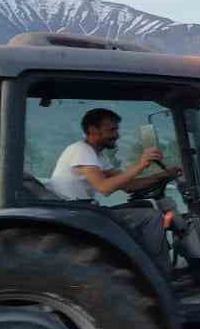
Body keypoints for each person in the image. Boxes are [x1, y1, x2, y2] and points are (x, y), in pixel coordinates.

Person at [50, 108, 182, 263]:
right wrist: (141, 165)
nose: (117, 135)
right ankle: (160, 273)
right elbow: (104, 188)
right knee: (151, 217)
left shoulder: (97, 155)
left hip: (85, 210)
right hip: (78, 214)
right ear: (93, 129)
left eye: (116, 130)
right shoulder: (81, 150)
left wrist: (163, 175)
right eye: (111, 130)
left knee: (146, 207)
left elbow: (128, 185)